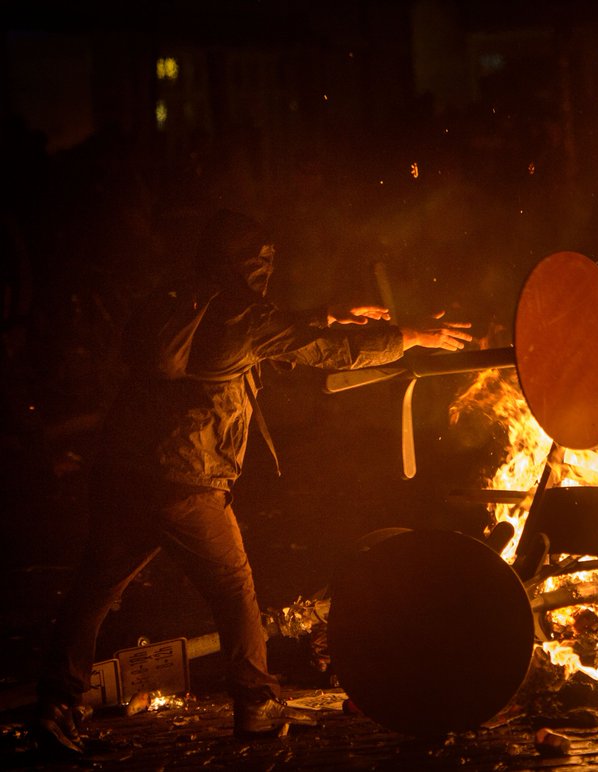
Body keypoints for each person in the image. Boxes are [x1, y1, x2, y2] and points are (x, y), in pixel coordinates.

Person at [34, 208, 473, 752]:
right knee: (235, 589)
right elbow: (323, 352)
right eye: (261, 262)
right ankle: (257, 704)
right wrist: (406, 336)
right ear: (252, 264)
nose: (266, 271)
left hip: (124, 473)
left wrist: (328, 312)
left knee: (95, 590)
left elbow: (273, 330)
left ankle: (56, 704)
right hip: (189, 480)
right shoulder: (245, 314)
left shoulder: (179, 299)